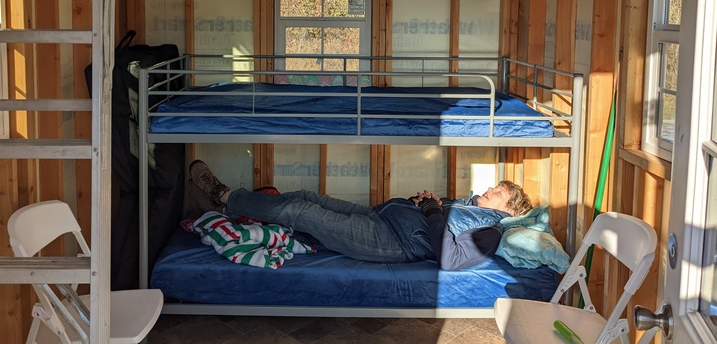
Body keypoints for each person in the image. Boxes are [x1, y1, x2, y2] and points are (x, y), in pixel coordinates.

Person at [187, 159, 533, 271]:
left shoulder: (491, 233)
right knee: (309, 196)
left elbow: (449, 256)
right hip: (382, 216)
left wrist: (430, 210)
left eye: (497, 193)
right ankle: (229, 204)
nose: (488, 190)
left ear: (508, 210)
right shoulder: (470, 206)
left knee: (300, 211)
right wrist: (424, 202)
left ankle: (225, 197)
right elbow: (436, 219)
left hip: (389, 241)